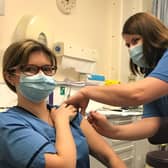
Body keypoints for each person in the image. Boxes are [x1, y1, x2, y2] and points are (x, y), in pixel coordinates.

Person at [0, 39, 126, 168]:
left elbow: (110, 157)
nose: (41, 75)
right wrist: (61, 122)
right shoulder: (7, 124)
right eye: (30, 69)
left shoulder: (69, 112)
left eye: (47, 69)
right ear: (10, 76)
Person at [65, 12, 168, 141]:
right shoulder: (151, 72)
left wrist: (86, 92)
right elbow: (151, 123)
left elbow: (137, 94)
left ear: (153, 35)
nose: (131, 49)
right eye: (128, 45)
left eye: (135, 40)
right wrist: (112, 130)